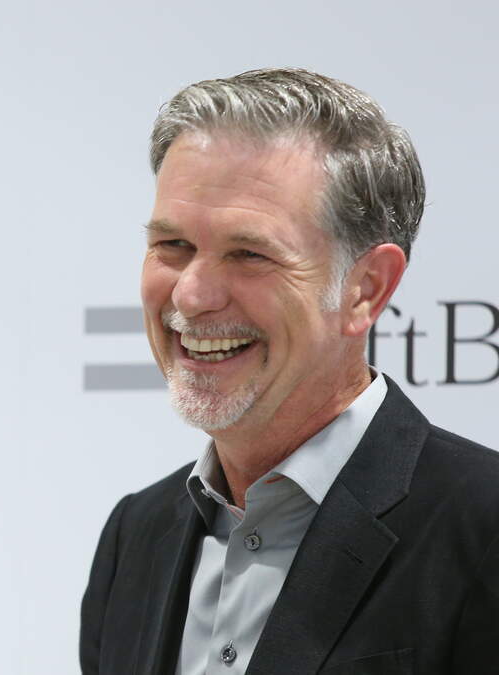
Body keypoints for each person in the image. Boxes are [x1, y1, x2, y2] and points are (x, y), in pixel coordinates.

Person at [79, 68, 499, 674]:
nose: (192, 295)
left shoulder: (484, 528)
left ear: (366, 288)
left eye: (249, 253)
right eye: (173, 246)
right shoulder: (134, 536)